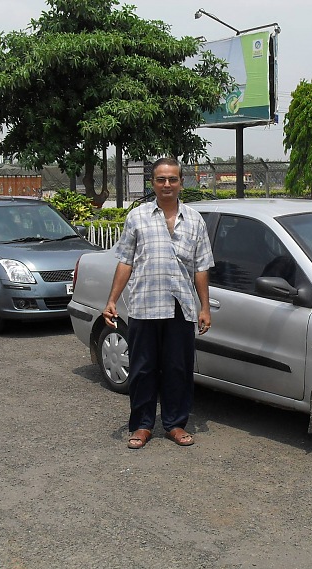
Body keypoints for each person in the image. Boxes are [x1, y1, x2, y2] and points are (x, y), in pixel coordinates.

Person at [103, 157, 214, 449]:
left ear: (181, 182)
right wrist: (112, 299)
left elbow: (201, 267)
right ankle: (142, 425)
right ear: (153, 183)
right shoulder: (137, 217)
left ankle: (175, 424)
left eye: (173, 179)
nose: (167, 185)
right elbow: (125, 261)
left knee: (178, 368)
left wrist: (204, 307)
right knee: (142, 369)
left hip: (180, 306)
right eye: (161, 180)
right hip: (144, 305)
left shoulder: (194, 220)